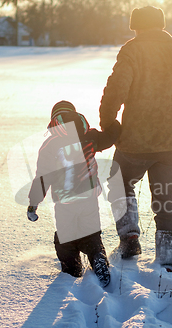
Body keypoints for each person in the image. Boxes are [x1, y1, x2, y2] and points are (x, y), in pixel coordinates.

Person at [99, 6, 172, 271]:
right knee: (167, 200)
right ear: (161, 26)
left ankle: (129, 238)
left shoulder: (133, 51)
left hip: (137, 142)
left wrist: (109, 125)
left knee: (119, 181)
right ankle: (168, 260)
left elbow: (116, 90)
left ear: (136, 27)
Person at [27, 100, 121, 288]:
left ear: (54, 120)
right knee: (91, 233)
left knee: (65, 237)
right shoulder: (90, 136)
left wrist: (33, 202)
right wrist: (115, 125)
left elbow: (42, 177)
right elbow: (111, 137)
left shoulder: (50, 145)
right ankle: (98, 258)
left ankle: (72, 271)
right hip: (89, 198)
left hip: (65, 202)